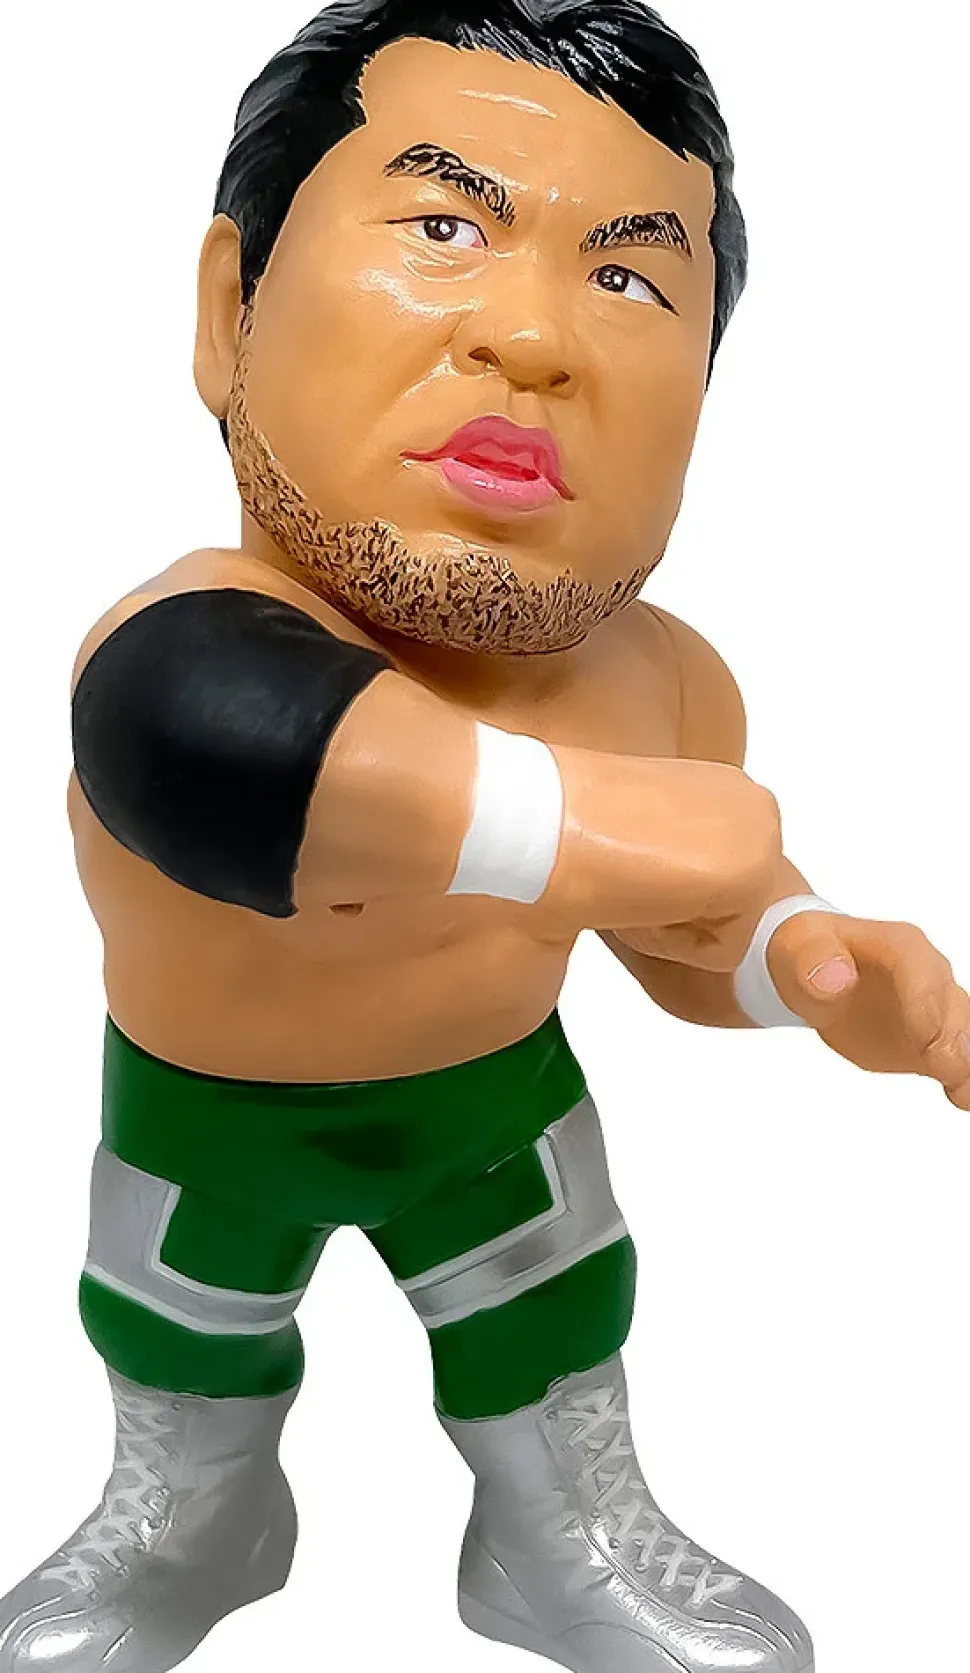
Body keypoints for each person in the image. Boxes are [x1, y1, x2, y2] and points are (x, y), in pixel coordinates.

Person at [1, 3, 967, 1671]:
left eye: (630, 279)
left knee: (554, 1316)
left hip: (493, 1104)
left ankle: (554, 1536)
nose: (533, 338)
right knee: (175, 1327)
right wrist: (582, 828)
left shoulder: (660, 684)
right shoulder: (184, 643)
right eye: (443, 229)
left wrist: (797, 963)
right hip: (201, 1114)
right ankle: (193, 1520)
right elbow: (233, 750)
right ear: (232, 312)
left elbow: (689, 919)